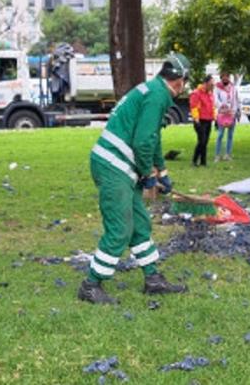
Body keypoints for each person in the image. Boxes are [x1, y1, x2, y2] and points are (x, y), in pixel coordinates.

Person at [77, 53, 191, 304]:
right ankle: (90, 284)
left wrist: (162, 170)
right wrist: (148, 175)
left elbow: (152, 137)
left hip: (116, 164)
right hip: (112, 166)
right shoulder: (159, 95)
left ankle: (153, 279)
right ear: (180, 80)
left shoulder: (152, 90)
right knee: (120, 229)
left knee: (139, 223)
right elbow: (142, 141)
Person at [189, 75, 216, 167]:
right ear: (205, 83)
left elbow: (212, 107)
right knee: (202, 141)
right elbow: (194, 107)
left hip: (208, 120)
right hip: (200, 120)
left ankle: (203, 162)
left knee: (205, 141)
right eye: (211, 83)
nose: (213, 84)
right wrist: (196, 120)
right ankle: (194, 160)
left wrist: (214, 118)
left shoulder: (210, 93)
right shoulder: (196, 93)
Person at [214, 72, 240, 161]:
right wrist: (223, 106)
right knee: (220, 135)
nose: (225, 78)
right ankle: (217, 155)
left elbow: (236, 100)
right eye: (223, 77)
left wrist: (235, 111)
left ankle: (228, 154)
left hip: (231, 114)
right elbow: (215, 100)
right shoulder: (217, 88)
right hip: (222, 113)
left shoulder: (233, 88)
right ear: (221, 78)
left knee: (230, 135)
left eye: (227, 77)